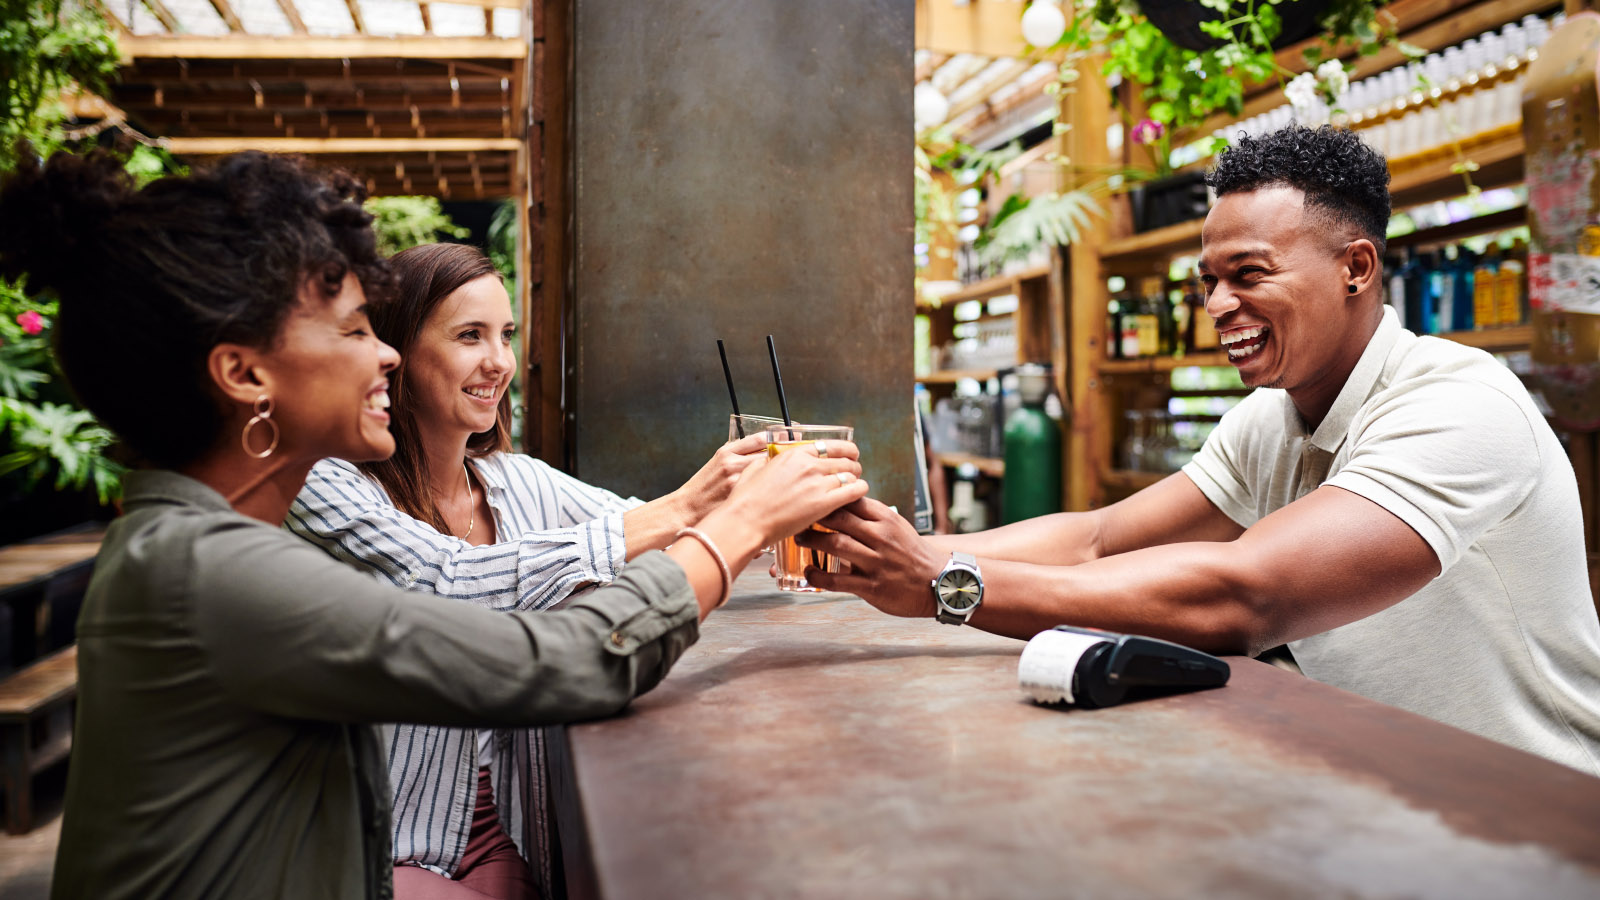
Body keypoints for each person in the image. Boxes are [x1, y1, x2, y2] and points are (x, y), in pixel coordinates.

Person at [0, 148, 868, 900]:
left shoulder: (193, 549)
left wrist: (725, 510)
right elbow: (563, 661)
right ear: (243, 375)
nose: (383, 352)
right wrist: (731, 529)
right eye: (351, 330)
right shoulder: (203, 572)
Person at [806, 125, 1600, 776]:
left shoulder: (1458, 404)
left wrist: (948, 585)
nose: (1219, 306)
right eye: (1208, 281)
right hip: (1377, 787)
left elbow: (1246, 595)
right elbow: (1098, 538)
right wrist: (888, 554)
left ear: (1356, 268)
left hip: (1534, 810)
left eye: (1248, 274)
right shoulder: (1270, 419)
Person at [284, 242, 767, 898]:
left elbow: (658, 533)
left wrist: (799, 518)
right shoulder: (326, 483)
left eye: (505, 336)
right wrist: (686, 507)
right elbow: (446, 584)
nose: (499, 362)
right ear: (396, 353)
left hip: (513, 831)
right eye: (469, 336)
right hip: (384, 844)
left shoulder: (518, 482)